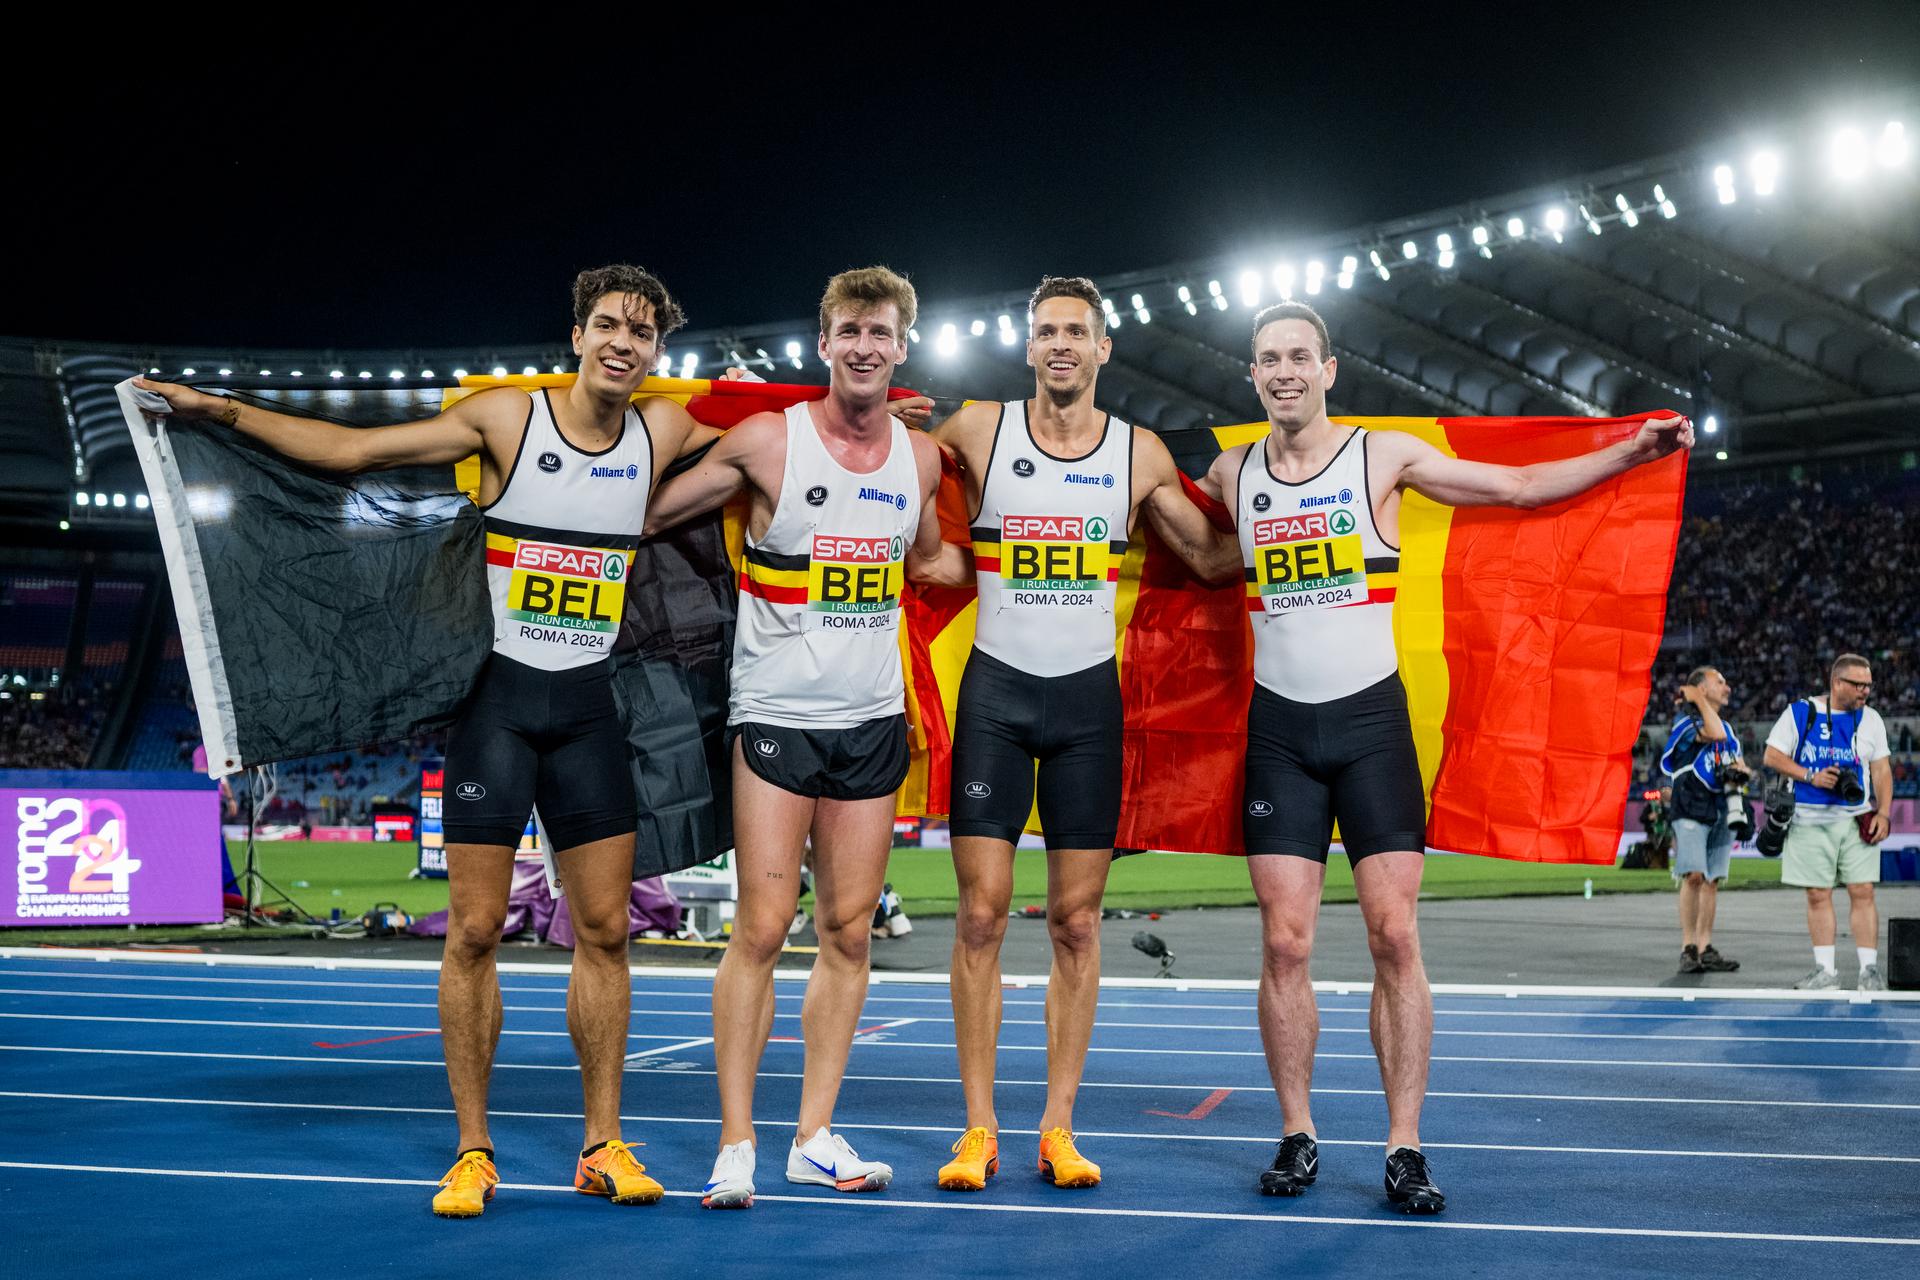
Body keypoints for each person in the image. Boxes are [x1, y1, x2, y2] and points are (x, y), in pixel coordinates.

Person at [136, 264, 718, 1218]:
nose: (624, 342)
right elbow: (348, 452)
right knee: (477, 933)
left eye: (643, 333)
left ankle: (603, 1144)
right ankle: (474, 1150)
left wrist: (880, 412)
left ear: (657, 352)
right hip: (494, 710)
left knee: (607, 932)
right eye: (609, 323)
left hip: (587, 713)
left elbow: (783, 427)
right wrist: (216, 410)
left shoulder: (664, 431)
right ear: (576, 335)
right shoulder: (504, 422)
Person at [1195, 300, 1691, 1214]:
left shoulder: (1381, 456)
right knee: (1284, 941)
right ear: (1253, 375)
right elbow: (1174, 542)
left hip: (1372, 729)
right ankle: (1298, 1133)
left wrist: (1630, 454)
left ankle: (1404, 1147)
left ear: (1329, 369)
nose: (1285, 372)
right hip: (1280, 734)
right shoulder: (1232, 473)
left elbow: (1515, 491)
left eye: (1300, 356)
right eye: (1268, 359)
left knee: (1394, 935)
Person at [643, 266, 947, 1209]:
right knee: (764, 930)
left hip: (870, 724)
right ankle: (736, 1142)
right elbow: (651, 512)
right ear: (824, 345)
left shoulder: (921, 458)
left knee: (848, 933)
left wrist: (1058, 554)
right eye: (848, 331)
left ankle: (813, 1134)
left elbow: (931, 554)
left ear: (902, 349)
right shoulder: (770, 442)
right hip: (774, 719)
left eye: (880, 333)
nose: (864, 346)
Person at [925, 276, 1237, 1193]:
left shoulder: (1138, 455)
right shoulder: (978, 429)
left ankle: (1057, 1125)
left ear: (1104, 350)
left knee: (1076, 921)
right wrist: (887, 424)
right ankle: (977, 1128)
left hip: (1087, 709)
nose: (1061, 345)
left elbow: (1213, 559)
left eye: (1078, 333)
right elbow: (877, 464)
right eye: (1046, 331)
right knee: (980, 915)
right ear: (1028, 347)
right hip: (997, 696)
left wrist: (1285, 511)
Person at [1762, 653, 1893, 991]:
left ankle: (1869, 971)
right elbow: (1772, 755)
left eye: (1868, 685)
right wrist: (1810, 776)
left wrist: (1884, 812)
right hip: (1807, 817)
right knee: (1818, 895)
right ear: (1837, 683)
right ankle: (1825, 972)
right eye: (1858, 684)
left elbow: (1881, 769)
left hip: (1856, 817)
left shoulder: (1871, 719)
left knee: (1862, 891)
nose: (1865, 691)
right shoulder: (1800, 713)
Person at [1659, 668, 1746, 974]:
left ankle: (1705, 947)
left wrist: (1743, 773)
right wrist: (1694, 697)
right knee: (1693, 875)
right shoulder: (1687, 722)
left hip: (1720, 807)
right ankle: (1688, 947)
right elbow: (1715, 733)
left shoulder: (1729, 729)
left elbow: (1740, 762)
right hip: (1690, 805)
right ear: (1700, 688)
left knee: (1712, 881)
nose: (1727, 687)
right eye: (1719, 682)